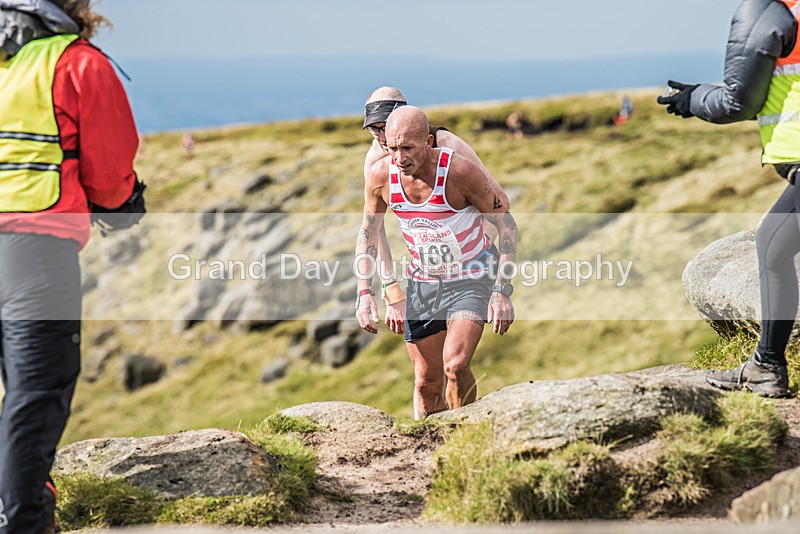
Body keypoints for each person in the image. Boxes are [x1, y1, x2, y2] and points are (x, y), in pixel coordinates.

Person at [0, 1, 144, 533]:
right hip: (33, 253)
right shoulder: (77, 62)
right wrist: (125, 203)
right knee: (34, 397)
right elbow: (110, 178)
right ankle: (23, 522)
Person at [657, 0, 798, 398]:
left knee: (773, 247)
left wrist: (693, 99)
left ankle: (768, 366)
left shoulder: (772, 12)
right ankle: (766, 365)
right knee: (774, 243)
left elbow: (740, 101)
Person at [355, 106, 518, 418]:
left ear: (428, 142)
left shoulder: (460, 172)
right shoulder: (380, 178)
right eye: (392, 148)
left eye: (408, 148)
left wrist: (502, 291)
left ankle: (466, 434)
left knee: (455, 365)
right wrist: (365, 293)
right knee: (426, 383)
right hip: (424, 284)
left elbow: (506, 224)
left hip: (473, 276)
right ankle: (433, 449)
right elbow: (368, 233)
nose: (400, 158)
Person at [362, 86, 502, 332]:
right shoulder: (375, 160)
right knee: (428, 369)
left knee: (456, 357)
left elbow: (499, 202)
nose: (382, 138)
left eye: (385, 127)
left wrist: (477, 255)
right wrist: (390, 288)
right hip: (425, 275)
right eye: (374, 130)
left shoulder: (448, 144)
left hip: (472, 266)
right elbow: (374, 228)